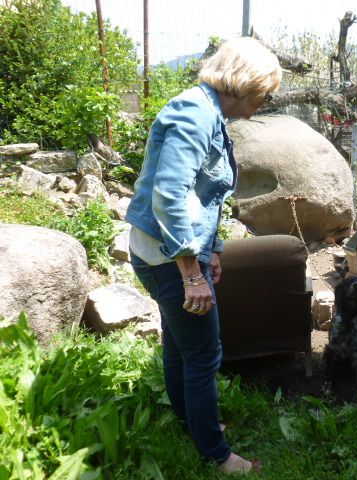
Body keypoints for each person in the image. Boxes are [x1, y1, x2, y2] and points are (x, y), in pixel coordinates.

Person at [125, 36, 282, 475]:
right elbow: (170, 194)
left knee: (179, 347)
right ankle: (216, 455)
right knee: (203, 355)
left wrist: (211, 249)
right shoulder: (195, 112)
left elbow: (204, 195)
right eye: (266, 93)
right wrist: (191, 271)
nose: (266, 102)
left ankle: (191, 422)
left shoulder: (209, 112)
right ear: (247, 82)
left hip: (167, 252)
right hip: (167, 257)